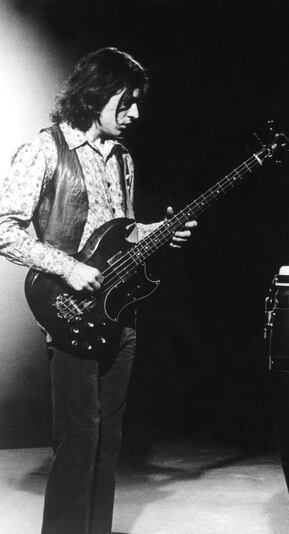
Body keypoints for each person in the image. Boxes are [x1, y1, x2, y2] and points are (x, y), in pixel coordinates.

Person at [0, 47, 196, 534]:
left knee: (109, 444)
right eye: (125, 102)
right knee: (79, 441)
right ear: (95, 96)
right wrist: (65, 267)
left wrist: (156, 231)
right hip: (68, 311)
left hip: (118, 312)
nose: (135, 114)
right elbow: (4, 228)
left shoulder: (122, 158)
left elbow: (118, 231)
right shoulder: (45, 149)